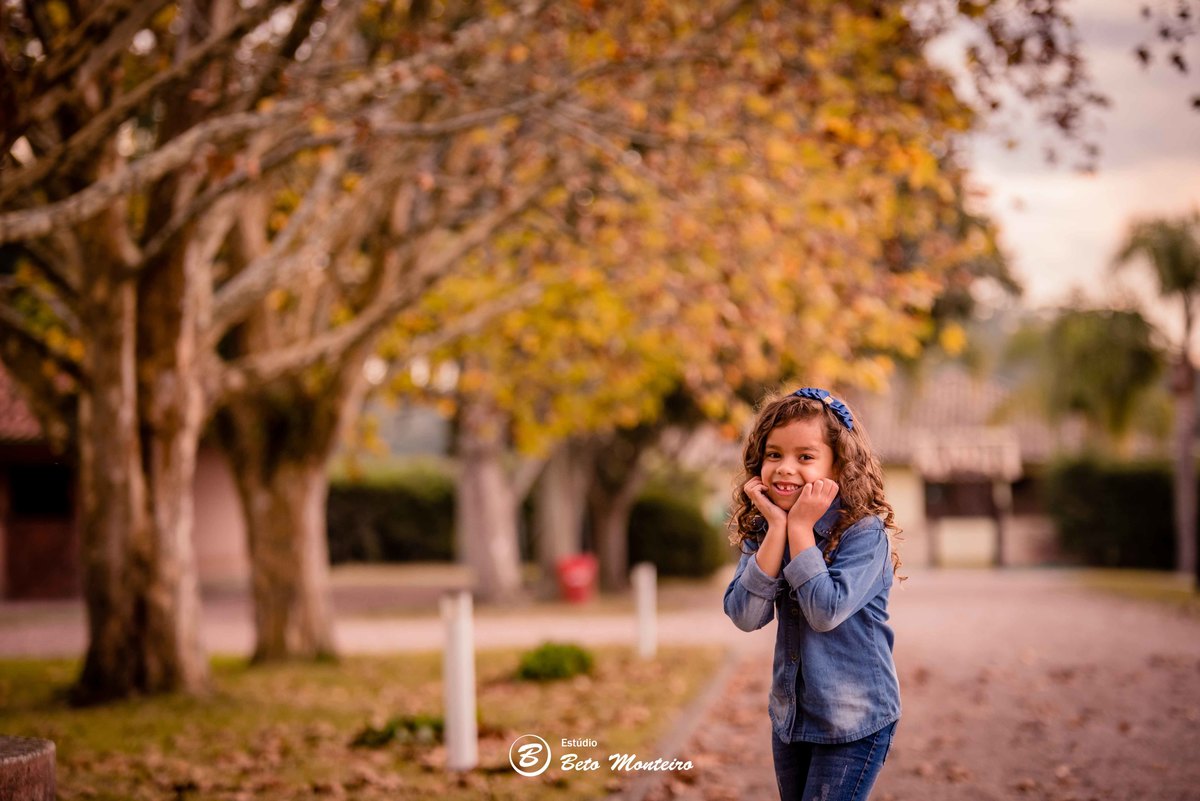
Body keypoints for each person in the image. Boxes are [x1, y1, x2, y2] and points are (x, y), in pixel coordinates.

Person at [723, 387, 903, 801]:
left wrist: (801, 529)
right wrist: (777, 529)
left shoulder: (864, 534)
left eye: (805, 457)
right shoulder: (765, 529)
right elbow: (745, 616)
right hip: (792, 718)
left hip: (854, 721)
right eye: (774, 454)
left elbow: (824, 611)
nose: (785, 469)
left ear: (839, 466)